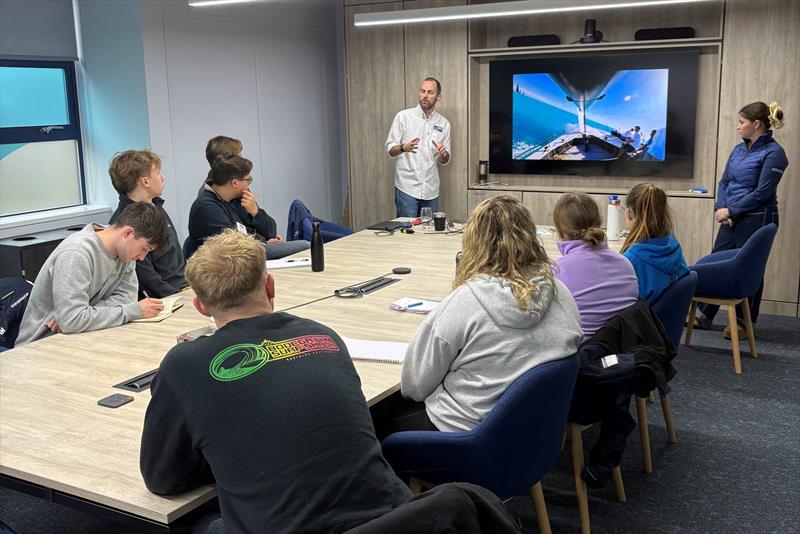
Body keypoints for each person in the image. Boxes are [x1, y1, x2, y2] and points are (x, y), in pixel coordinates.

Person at [140, 230, 412, 533]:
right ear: (270, 286)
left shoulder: (183, 365)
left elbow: (163, 480)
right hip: (397, 520)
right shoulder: (324, 336)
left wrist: (226, 453)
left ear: (201, 307)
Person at [399, 196, 582, 432]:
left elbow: (413, 387)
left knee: (371, 421)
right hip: (535, 432)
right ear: (530, 237)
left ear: (474, 244)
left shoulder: (465, 301)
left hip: (466, 438)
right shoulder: (560, 292)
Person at [15, 202, 168, 346]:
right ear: (128, 233)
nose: (142, 257)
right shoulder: (77, 253)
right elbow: (71, 321)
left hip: (82, 336)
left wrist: (83, 314)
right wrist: (132, 311)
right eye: (144, 248)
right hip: (42, 344)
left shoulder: (125, 252)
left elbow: (127, 298)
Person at [695, 101, 788, 337]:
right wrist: (721, 207)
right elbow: (725, 181)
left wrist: (732, 211)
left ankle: (743, 323)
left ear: (756, 124)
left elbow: (762, 193)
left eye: (741, 122)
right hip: (730, 215)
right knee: (716, 262)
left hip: (757, 217)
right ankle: (706, 315)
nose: (738, 127)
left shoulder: (775, 154)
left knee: (750, 268)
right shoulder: (738, 150)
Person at [195, 135, 310, 259]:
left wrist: (256, 213)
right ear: (234, 181)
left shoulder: (236, 192)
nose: (242, 161)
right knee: (306, 246)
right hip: (235, 263)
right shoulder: (208, 206)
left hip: (252, 250)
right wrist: (262, 243)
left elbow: (270, 232)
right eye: (239, 158)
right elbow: (235, 248)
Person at [553, 192, 639, 339]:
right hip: (621, 351)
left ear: (560, 232)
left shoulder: (557, 271)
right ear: (599, 223)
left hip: (579, 355)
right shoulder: (625, 263)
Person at [108, 149, 188, 298]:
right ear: (145, 181)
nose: (162, 178)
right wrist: (179, 298)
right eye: (158, 173)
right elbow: (147, 279)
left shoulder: (155, 207)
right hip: (170, 295)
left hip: (185, 286)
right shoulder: (124, 223)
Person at [385, 78, 451, 217]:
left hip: (431, 190)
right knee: (407, 234)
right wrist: (403, 147)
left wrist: (443, 154)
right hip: (407, 188)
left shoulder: (444, 123)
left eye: (430, 92)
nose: (425, 95)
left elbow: (445, 160)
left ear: (438, 97)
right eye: (422, 91)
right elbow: (390, 149)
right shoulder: (403, 117)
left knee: (428, 235)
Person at [620, 183, 689, 304]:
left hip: (642, 321)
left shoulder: (631, 260)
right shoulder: (673, 246)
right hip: (667, 319)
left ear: (629, 215)